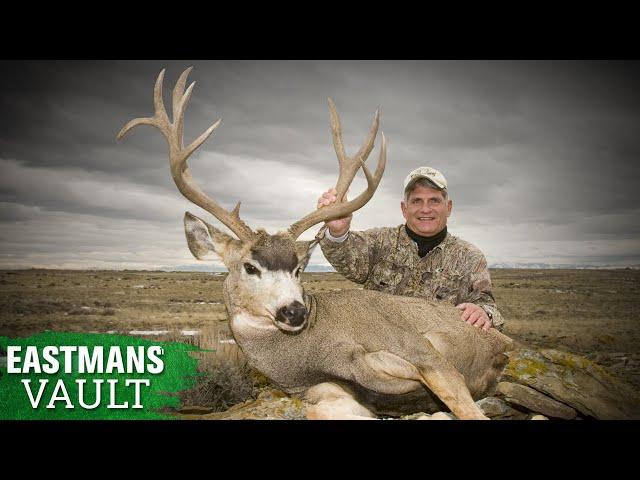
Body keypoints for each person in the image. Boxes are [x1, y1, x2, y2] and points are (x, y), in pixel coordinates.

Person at [317, 166, 504, 331]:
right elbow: (345, 255)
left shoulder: (469, 258)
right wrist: (338, 230)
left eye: (434, 201)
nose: (425, 209)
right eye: (416, 201)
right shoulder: (379, 242)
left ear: (448, 207)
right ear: (404, 209)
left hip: (438, 360)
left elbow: (488, 306)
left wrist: (483, 313)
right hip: (379, 354)